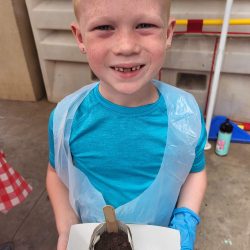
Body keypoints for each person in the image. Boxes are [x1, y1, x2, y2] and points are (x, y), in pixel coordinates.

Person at [46, 0, 207, 249]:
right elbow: (56, 173)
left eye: (145, 25)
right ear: (80, 37)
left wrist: (186, 218)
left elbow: (195, 171)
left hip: (160, 236)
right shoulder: (65, 119)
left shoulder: (185, 116)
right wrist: (67, 229)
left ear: (169, 33)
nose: (126, 46)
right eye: (104, 27)